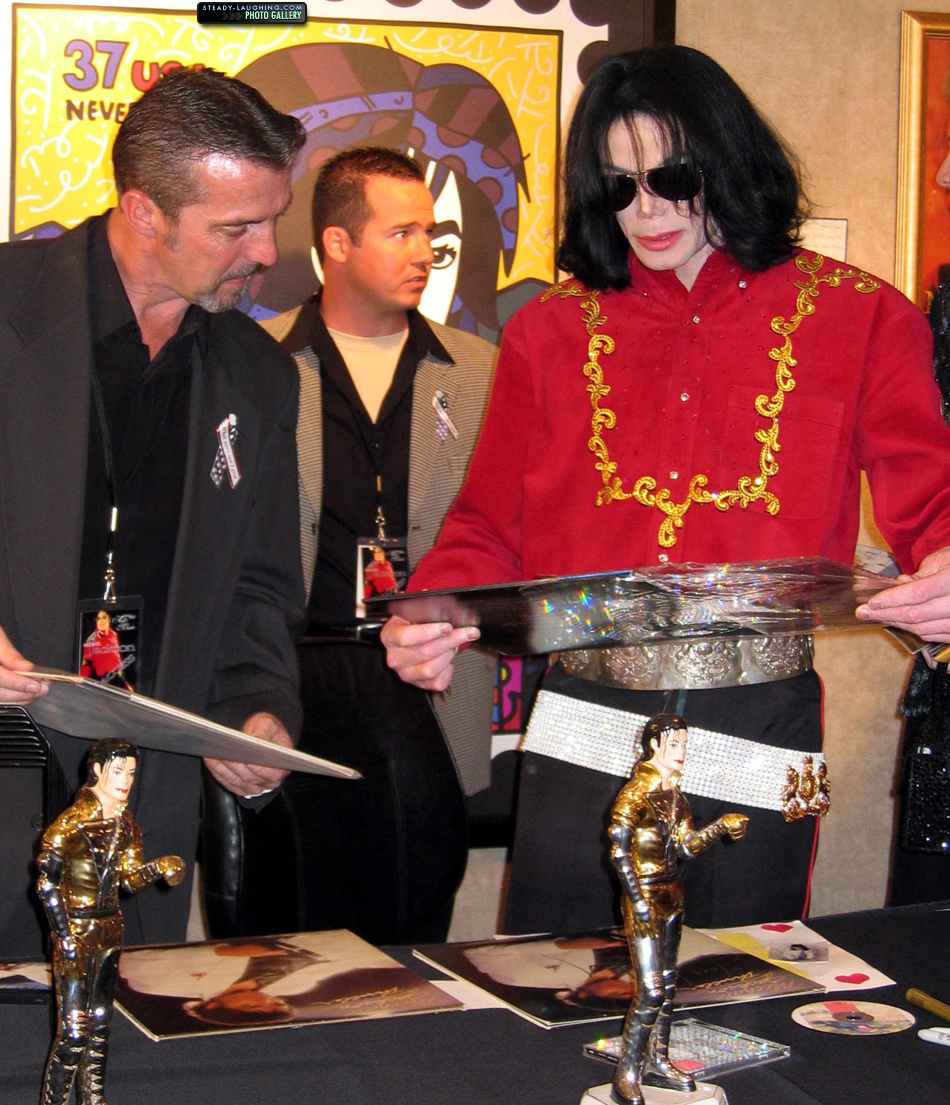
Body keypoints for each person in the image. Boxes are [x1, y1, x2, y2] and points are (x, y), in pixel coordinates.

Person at [382, 45, 950, 934]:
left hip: (757, 716)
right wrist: (435, 608)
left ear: (730, 157)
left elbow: (932, 503)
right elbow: (488, 522)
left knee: (737, 979)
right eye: (618, 185)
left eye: (672, 178)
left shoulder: (861, 315)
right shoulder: (547, 332)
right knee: (562, 974)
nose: (644, 210)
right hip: (584, 710)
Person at [0, 66, 307, 947]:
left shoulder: (259, 373)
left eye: (273, 218)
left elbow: (258, 584)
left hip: (144, 805)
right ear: (143, 212)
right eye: (236, 227)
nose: (266, 252)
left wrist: (255, 711)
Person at [202, 147, 497, 945]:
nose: (425, 252)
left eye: (430, 233)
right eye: (402, 233)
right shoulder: (250, 360)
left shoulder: (480, 372)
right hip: (288, 682)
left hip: (427, 688)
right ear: (336, 243)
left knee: (415, 935)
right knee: (278, 941)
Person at [36, 739, 184, 1105]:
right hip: (75, 930)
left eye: (131, 773)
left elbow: (129, 880)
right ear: (98, 770)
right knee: (74, 1032)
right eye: (118, 771)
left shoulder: (126, 826)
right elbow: (46, 883)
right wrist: (64, 935)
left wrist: (159, 868)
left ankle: (94, 1098)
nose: (126, 781)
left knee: (101, 1022)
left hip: (109, 930)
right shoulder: (70, 826)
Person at [608, 715, 746, 1104]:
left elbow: (685, 847)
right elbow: (619, 853)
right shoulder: (635, 794)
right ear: (654, 745)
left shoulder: (675, 797)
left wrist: (720, 826)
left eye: (685, 744)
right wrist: (637, 900)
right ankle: (627, 1072)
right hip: (646, 896)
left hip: (671, 894)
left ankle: (658, 1060)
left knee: (668, 986)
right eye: (674, 744)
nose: (682, 751)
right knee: (651, 991)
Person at [80, 610, 130, 688]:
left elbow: (117, 660)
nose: (101, 621)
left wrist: (125, 682)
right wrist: (82, 683)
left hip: (116, 680)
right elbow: (86, 663)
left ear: (109, 619)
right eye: (98, 618)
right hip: (100, 681)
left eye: (104, 618)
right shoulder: (91, 640)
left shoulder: (114, 635)